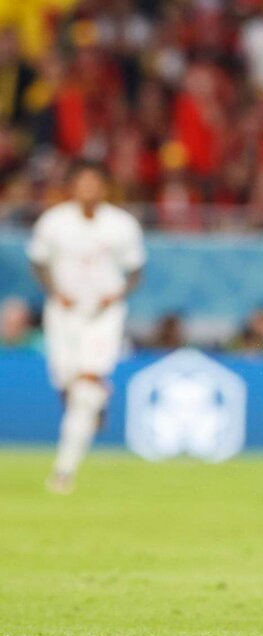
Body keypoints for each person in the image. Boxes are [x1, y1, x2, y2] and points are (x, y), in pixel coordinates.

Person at [27, 161, 145, 494]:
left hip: (102, 316)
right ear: (72, 187)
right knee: (67, 383)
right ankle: (94, 398)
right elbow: (38, 261)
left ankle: (63, 471)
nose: (89, 190)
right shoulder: (54, 222)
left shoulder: (122, 225)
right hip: (63, 314)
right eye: (83, 184)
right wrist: (54, 291)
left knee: (85, 392)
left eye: (95, 184)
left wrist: (117, 293)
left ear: (105, 188)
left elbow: (136, 270)